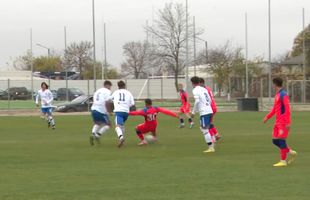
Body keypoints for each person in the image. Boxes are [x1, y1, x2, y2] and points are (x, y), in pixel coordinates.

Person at [263, 77, 297, 167]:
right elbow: (275, 109)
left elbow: (287, 109)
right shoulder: (277, 95)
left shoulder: (283, 94)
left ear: (275, 84)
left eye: (272, 84)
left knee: (282, 140)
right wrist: (267, 117)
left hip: (283, 122)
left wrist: (288, 123)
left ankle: (283, 161)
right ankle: (290, 152)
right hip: (277, 122)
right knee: (274, 141)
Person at [190, 76, 215, 153]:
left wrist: (193, 112)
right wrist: (207, 106)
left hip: (204, 112)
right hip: (209, 110)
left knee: (204, 130)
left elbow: (197, 101)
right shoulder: (204, 89)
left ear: (193, 83)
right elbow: (210, 99)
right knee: (205, 127)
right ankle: (213, 139)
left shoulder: (195, 90)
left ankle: (211, 147)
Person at [111, 80, 135, 148]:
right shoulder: (128, 93)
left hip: (119, 111)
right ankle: (122, 141)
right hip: (126, 112)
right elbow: (132, 103)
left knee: (117, 126)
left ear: (118, 86)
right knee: (121, 126)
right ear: (124, 86)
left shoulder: (116, 92)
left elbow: (110, 99)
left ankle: (121, 138)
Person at [89, 80, 113, 146]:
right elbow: (107, 102)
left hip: (93, 109)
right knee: (108, 125)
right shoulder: (107, 91)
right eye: (110, 86)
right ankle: (97, 135)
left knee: (97, 123)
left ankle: (93, 133)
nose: (110, 88)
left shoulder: (98, 91)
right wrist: (109, 111)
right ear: (107, 85)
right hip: (101, 111)